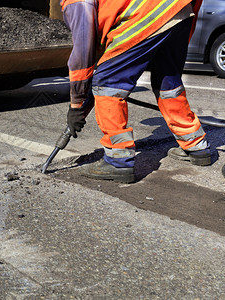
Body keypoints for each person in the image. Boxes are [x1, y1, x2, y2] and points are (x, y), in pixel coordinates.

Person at [61, 0, 210, 183]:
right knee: (167, 82)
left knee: (108, 82)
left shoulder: (75, 1)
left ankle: (118, 160)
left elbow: (83, 51)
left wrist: (76, 105)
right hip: (180, 9)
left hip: (147, 13)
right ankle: (196, 145)